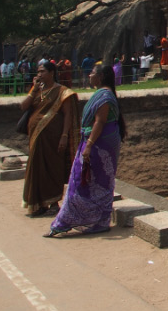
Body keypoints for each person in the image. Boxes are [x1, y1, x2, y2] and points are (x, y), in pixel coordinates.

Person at [45, 62, 126, 237]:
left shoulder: (104, 97)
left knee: (85, 179)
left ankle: (69, 220)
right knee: (90, 181)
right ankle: (89, 219)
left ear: (101, 76)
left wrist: (88, 145)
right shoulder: (102, 94)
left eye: (92, 73)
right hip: (98, 142)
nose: (89, 75)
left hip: (99, 145)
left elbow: (100, 122)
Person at [19, 61, 78, 217]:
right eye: (38, 71)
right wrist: (33, 90)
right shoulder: (37, 91)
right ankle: (38, 204)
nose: (39, 74)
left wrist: (65, 136)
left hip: (53, 138)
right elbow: (23, 106)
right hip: (36, 137)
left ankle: (53, 202)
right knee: (36, 168)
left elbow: (68, 115)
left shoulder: (62, 92)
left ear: (52, 73)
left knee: (53, 168)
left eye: (42, 71)